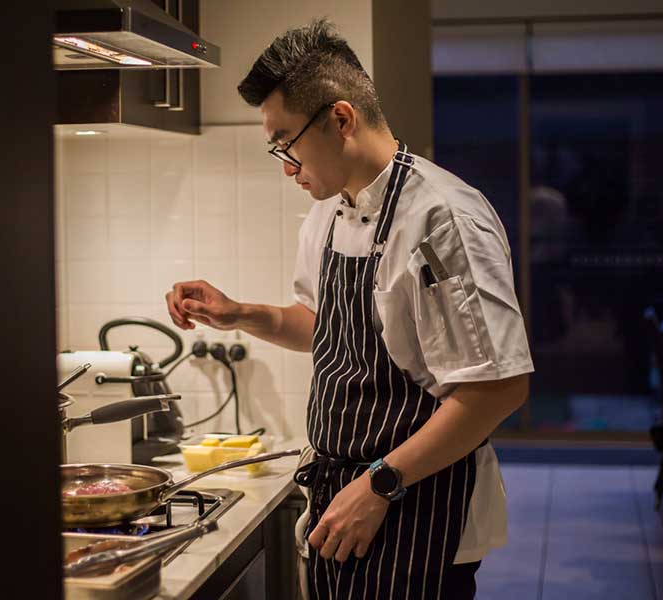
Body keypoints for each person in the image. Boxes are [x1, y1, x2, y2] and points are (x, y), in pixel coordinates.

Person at [165, 19, 533, 600]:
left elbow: (499, 388)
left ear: (340, 119)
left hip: (418, 509)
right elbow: (325, 328)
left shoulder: (443, 218)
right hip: (347, 502)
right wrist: (241, 314)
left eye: (286, 142)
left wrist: (380, 485)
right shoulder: (331, 211)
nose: (285, 165)